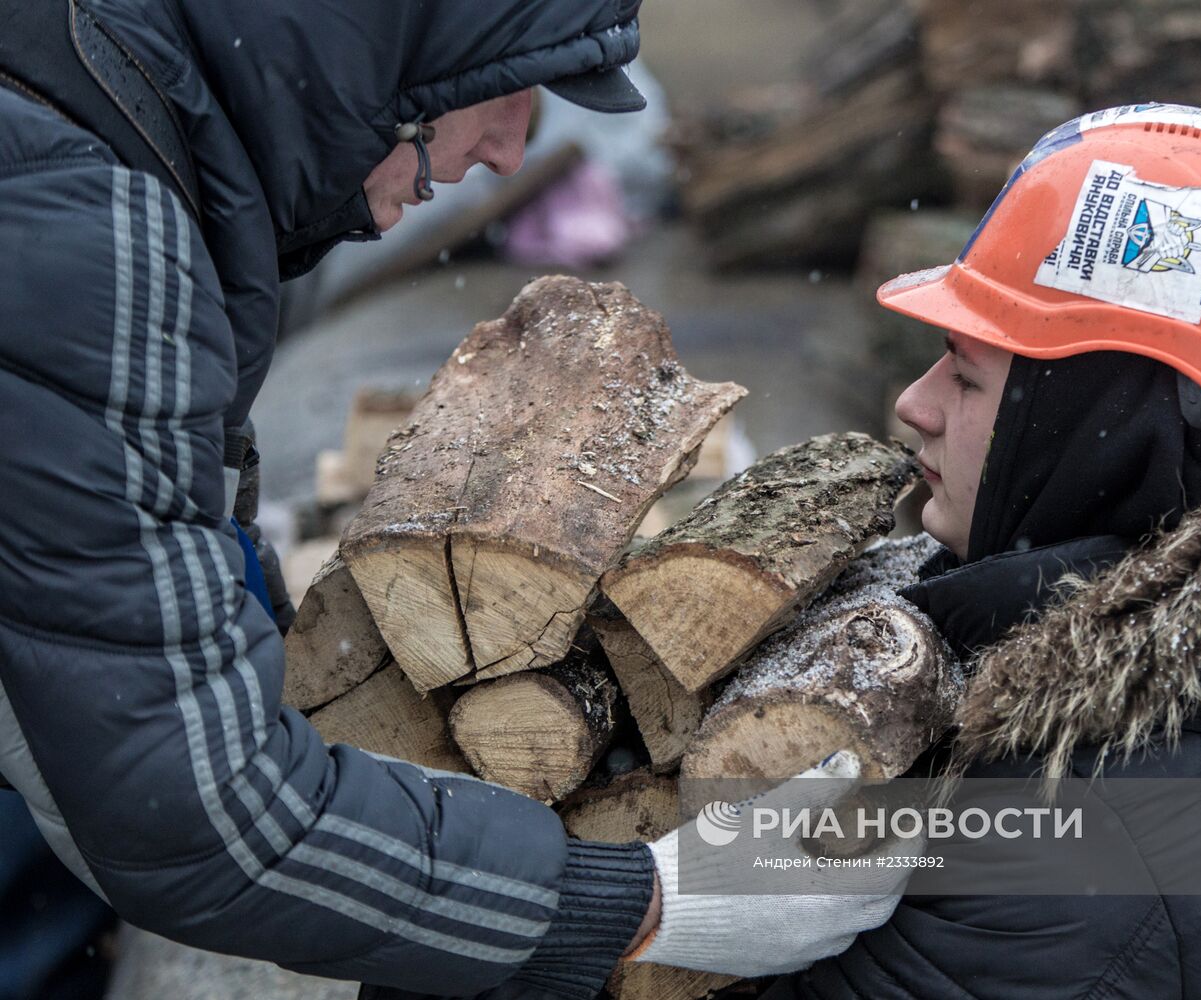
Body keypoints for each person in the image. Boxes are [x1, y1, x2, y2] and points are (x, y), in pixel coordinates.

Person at [0, 3, 906, 998]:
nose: (513, 152)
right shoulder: (79, 222)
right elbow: (198, 818)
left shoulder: (94, 110)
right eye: (505, 86)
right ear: (373, 46)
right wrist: (639, 905)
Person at [762, 104, 1201, 998]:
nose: (913, 403)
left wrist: (653, 889)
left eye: (966, 374)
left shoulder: (1072, 827)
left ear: (1106, 433)